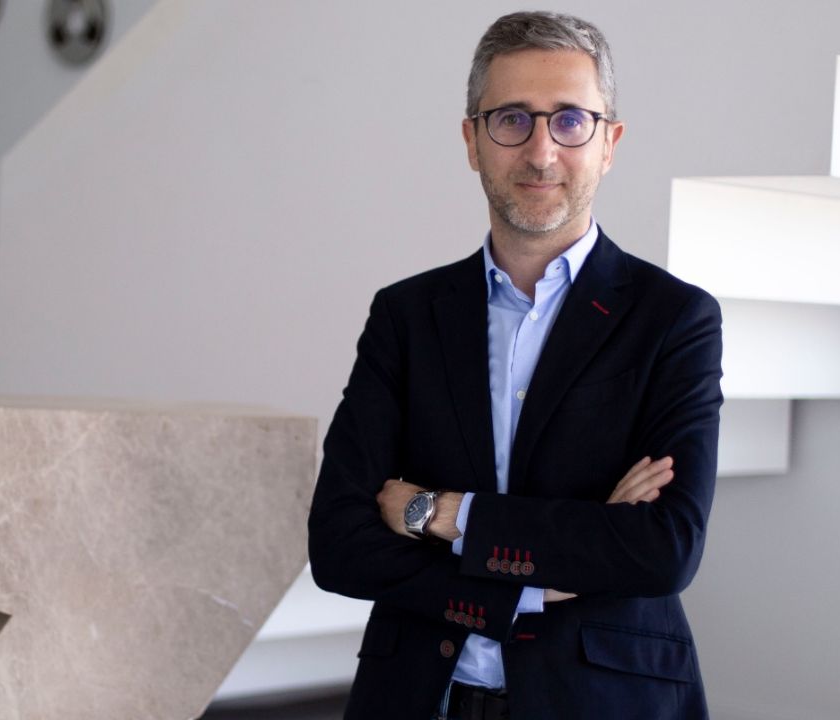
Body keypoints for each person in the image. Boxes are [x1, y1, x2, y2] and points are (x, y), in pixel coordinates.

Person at [307, 11, 723, 720]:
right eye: (511, 120)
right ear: (472, 141)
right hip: (419, 698)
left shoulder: (674, 318)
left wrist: (439, 514)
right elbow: (339, 544)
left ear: (609, 143)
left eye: (571, 121)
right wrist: (538, 577)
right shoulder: (406, 315)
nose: (540, 151)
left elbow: (663, 549)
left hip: (605, 701)